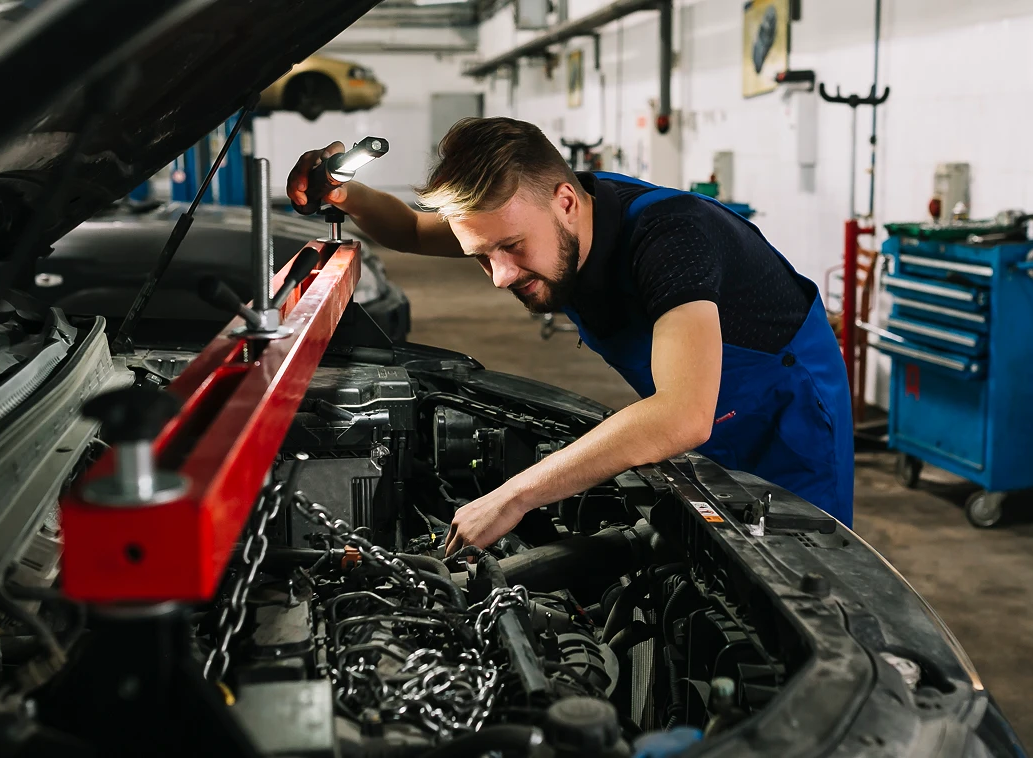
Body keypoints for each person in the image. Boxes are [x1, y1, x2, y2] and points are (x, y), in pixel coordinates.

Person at [287, 117, 853, 556]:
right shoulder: (543, 216)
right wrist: (345, 194)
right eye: (480, 255)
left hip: (786, 421)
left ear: (564, 199)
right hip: (702, 415)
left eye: (510, 247)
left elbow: (681, 415)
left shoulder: (672, 240)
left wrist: (512, 496)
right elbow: (410, 227)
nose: (501, 275)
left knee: (798, 580)